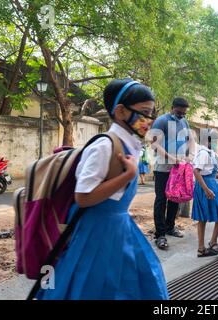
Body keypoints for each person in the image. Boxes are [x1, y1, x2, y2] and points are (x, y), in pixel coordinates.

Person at [36, 78, 168, 300]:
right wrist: (127, 175)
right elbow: (84, 196)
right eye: (145, 112)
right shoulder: (105, 145)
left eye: (152, 113)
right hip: (96, 232)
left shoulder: (129, 143)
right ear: (120, 111)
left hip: (119, 228)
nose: (150, 120)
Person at [150, 97, 194, 250]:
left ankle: (170, 227)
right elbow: (154, 143)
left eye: (184, 113)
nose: (181, 115)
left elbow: (189, 140)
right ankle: (160, 234)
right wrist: (170, 157)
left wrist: (188, 156)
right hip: (163, 167)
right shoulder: (162, 120)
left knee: (175, 197)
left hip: (179, 168)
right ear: (172, 108)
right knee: (161, 199)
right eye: (179, 112)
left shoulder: (184, 122)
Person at [192, 129, 218, 257]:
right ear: (207, 141)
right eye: (214, 140)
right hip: (207, 187)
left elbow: (210, 173)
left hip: (212, 185)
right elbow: (196, 172)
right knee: (212, 215)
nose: (216, 142)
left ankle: (210, 244)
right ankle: (206, 246)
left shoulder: (210, 153)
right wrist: (206, 189)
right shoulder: (204, 153)